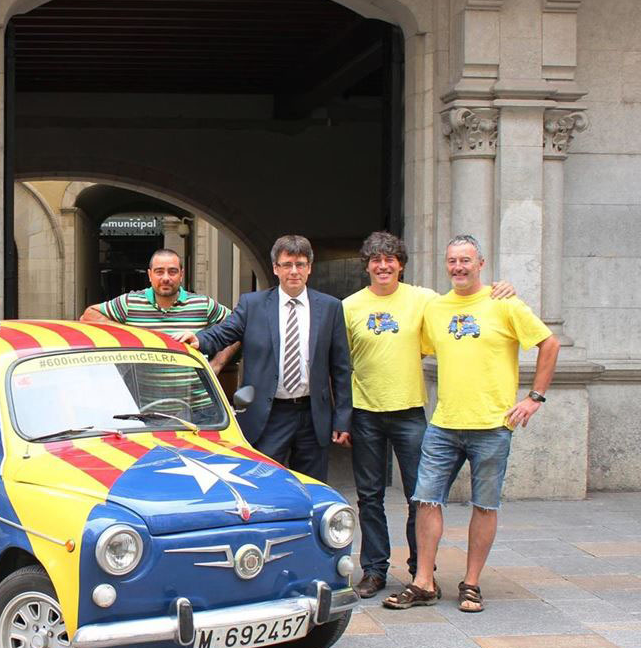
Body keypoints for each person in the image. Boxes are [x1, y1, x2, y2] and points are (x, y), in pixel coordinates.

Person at [384, 234, 558, 614]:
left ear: (481, 263)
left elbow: (549, 343)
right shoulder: (436, 308)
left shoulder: (504, 303)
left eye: (466, 260)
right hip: (444, 423)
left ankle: (472, 583)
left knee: (484, 505)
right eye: (452, 261)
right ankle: (423, 581)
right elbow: (414, 340)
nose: (458, 267)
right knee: (425, 499)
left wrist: (534, 398)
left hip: (493, 425)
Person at [342, 232, 514, 598]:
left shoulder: (425, 300)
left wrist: (502, 288)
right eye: (375, 260)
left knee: (419, 497)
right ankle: (373, 570)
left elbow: (466, 301)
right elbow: (341, 365)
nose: (383, 265)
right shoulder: (350, 305)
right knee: (369, 496)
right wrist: (342, 417)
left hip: (410, 412)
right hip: (365, 412)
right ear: (367, 266)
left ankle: (422, 572)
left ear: (401, 264)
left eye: (390, 259)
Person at [177, 234, 352, 482]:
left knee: (312, 487)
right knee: (263, 483)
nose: (294, 271)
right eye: (287, 264)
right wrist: (199, 339)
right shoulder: (253, 304)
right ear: (275, 268)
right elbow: (226, 332)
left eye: (300, 264)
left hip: (313, 415)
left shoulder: (331, 307)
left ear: (309, 268)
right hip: (269, 415)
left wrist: (343, 419)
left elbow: (341, 367)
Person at [80, 248, 240, 375]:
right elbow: (89, 315)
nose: (165, 278)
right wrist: (130, 334)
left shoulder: (203, 305)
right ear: (150, 275)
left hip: (196, 403)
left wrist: (216, 365)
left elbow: (238, 327)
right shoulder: (129, 303)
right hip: (142, 403)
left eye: (172, 271)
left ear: (181, 275)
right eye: (159, 271)